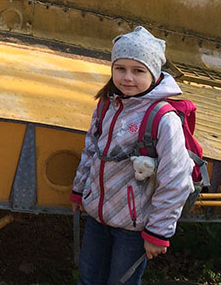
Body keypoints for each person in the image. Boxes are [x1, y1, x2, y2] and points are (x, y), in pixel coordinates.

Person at [71, 26, 194, 285]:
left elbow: (176, 178)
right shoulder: (107, 105)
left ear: (154, 73)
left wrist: (158, 232)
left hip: (134, 227)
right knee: (88, 278)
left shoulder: (163, 119)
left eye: (138, 71)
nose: (127, 78)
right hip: (97, 217)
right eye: (120, 68)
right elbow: (91, 149)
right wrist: (80, 190)